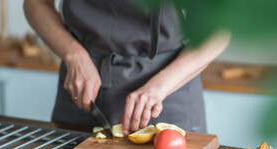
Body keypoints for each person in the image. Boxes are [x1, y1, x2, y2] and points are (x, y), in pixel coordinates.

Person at [24, 0, 230, 135]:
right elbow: (35, 3)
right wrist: (74, 55)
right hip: (82, 77)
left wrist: (158, 88)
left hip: (170, 85)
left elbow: (221, 26)